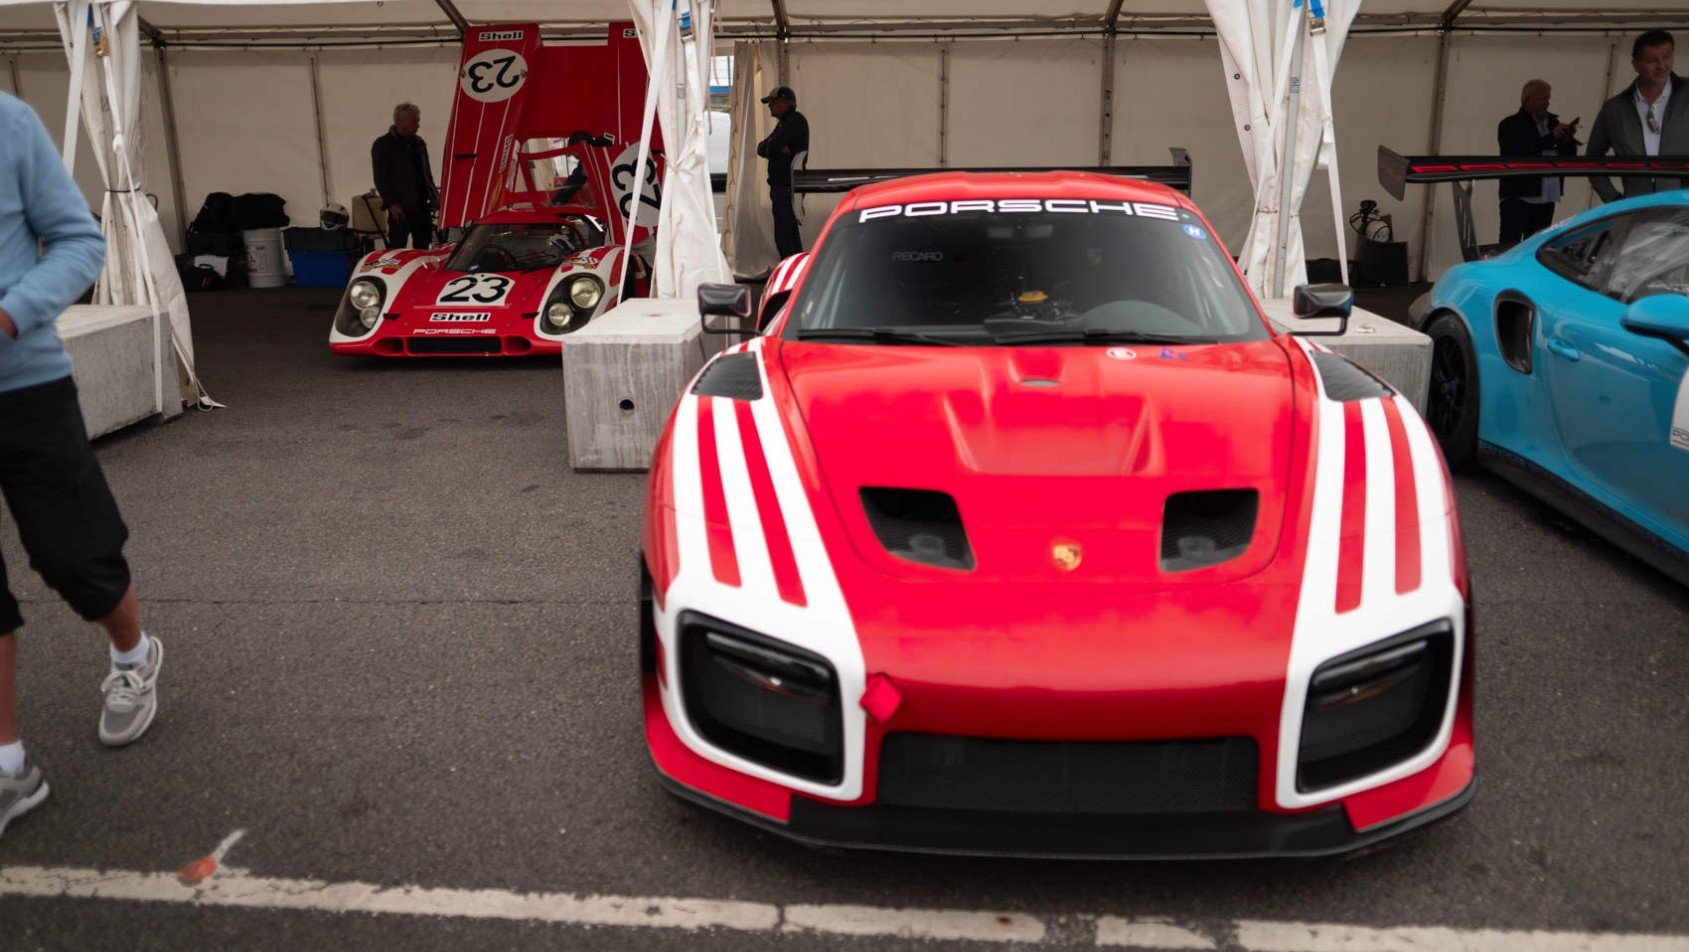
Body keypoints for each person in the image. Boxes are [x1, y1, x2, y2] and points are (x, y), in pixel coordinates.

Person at [0, 92, 163, 838]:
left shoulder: (9, 122)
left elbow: (78, 241)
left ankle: (133, 655)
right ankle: (9, 771)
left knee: (74, 556)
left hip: (24, 383)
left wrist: (10, 312)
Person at [1587, 30, 1689, 202]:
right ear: (1635, 64)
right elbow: (1591, 159)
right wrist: (1614, 201)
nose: (1662, 65)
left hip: (1684, 208)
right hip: (1637, 211)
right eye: (1652, 60)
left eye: (1667, 57)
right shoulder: (1614, 110)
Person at [1497, 79, 1580, 243]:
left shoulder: (1553, 122)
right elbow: (1519, 151)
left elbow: (1570, 156)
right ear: (1528, 100)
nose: (1547, 103)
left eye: (1548, 99)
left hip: (1547, 196)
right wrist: (1552, 138)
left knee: (1536, 248)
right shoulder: (1510, 124)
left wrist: (1567, 138)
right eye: (1543, 99)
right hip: (1518, 196)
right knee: (1509, 246)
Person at [371, 102, 440, 249]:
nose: (418, 124)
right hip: (400, 209)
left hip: (421, 206)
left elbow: (427, 173)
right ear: (400, 121)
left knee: (424, 247)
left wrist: (434, 197)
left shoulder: (419, 143)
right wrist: (392, 204)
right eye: (414, 121)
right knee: (397, 249)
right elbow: (380, 178)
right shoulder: (383, 145)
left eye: (418, 121)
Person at [755, 86, 810, 260]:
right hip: (783, 188)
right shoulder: (785, 123)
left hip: (786, 188)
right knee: (785, 235)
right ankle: (794, 271)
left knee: (786, 236)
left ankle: (793, 274)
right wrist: (774, 146)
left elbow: (772, 146)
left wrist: (774, 146)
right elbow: (762, 148)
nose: (770, 106)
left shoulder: (794, 121)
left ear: (785, 104)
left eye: (772, 103)